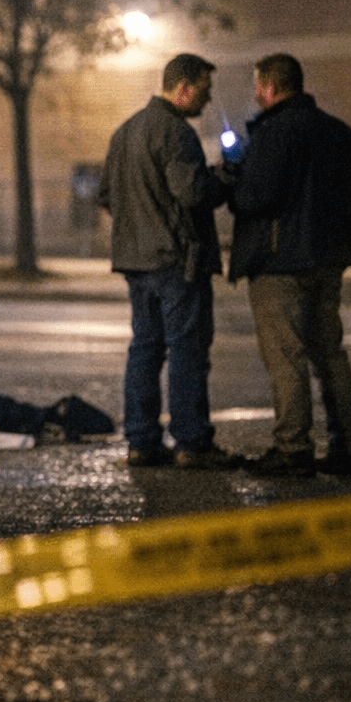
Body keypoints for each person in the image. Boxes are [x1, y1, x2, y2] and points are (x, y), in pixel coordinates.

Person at [228, 54, 351, 478]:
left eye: (258, 86)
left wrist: (235, 183)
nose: (256, 94)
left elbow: (257, 198)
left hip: (280, 262)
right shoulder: (340, 133)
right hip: (328, 261)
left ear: (270, 87)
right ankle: (348, 447)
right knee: (330, 353)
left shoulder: (275, 133)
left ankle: (292, 447)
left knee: (286, 356)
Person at [98, 53, 234, 469]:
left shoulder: (125, 132)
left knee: (145, 349)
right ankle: (191, 442)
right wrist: (224, 180)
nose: (207, 102)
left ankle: (141, 441)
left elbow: (107, 196)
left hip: (136, 261)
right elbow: (192, 193)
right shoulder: (175, 133)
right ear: (184, 87)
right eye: (205, 92)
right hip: (175, 261)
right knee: (186, 350)